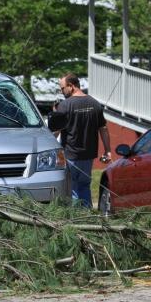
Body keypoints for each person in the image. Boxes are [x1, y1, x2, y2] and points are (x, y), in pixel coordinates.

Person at [54, 73, 112, 208]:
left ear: (71, 86)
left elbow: (55, 132)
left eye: (63, 88)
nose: (62, 92)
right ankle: (87, 217)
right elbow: (103, 128)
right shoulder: (95, 104)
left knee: (73, 188)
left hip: (71, 156)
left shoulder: (64, 106)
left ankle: (75, 221)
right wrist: (108, 150)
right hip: (88, 156)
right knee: (85, 186)